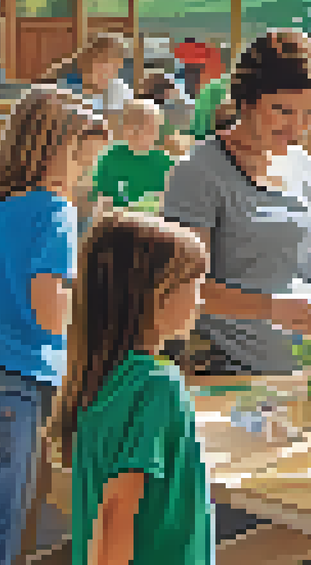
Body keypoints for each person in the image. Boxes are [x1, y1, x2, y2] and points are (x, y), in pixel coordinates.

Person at [0, 88, 110, 565]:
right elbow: (50, 309)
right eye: (84, 163)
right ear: (60, 151)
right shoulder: (55, 212)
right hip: (14, 385)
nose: (86, 177)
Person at [161, 29, 311, 379]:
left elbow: (299, 270)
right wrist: (271, 309)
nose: (297, 127)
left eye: (309, 113)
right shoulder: (199, 171)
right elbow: (181, 288)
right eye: (283, 110)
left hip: (304, 373)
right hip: (226, 373)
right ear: (247, 100)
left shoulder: (306, 168)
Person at [53, 212, 214, 565]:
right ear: (155, 295)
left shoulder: (101, 381)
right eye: (195, 284)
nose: (201, 300)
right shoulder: (158, 387)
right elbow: (116, 512)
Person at [89, 98, 175, 211]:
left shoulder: (165, 163)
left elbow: (168, 202)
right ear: (125, 128)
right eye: (136, 126)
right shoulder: (110, 157)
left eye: (153, 127)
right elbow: (100, 197)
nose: (142, 133)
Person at [45, 35, 133, 117]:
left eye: (115, 66)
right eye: (101, 62)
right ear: (84, 62)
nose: (107, 71)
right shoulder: (64, 87)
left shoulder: (119, 90)